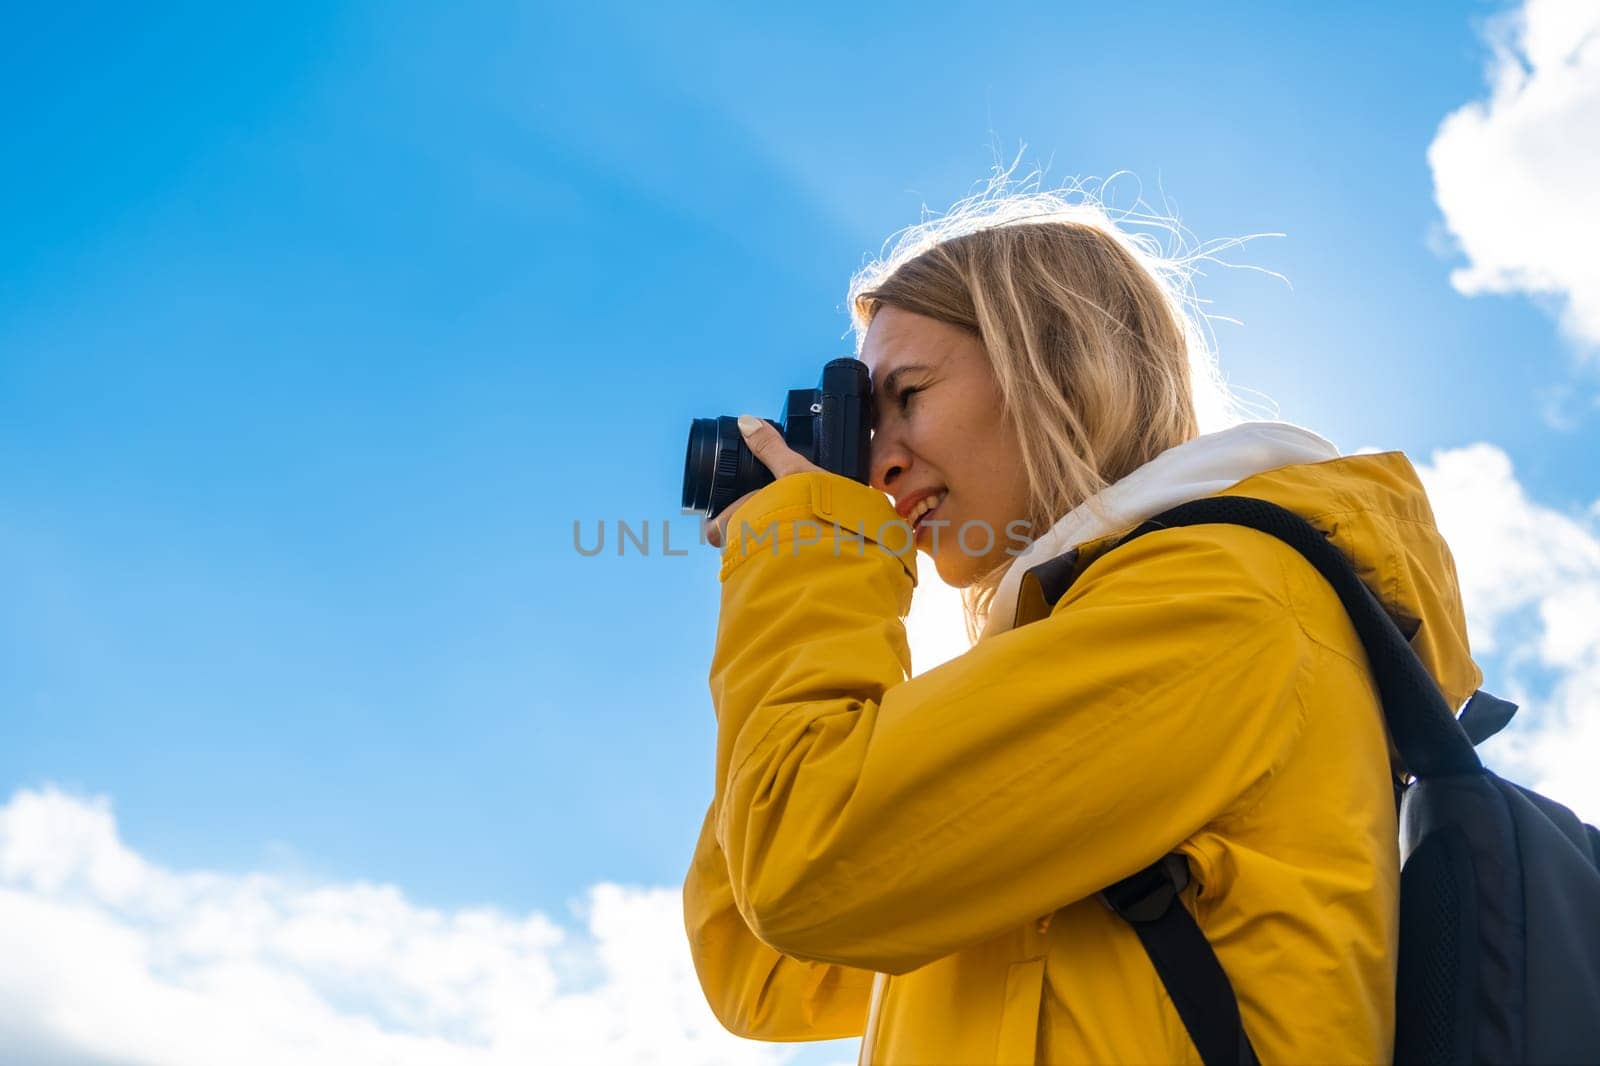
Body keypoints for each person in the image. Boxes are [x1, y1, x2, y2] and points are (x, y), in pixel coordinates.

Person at [683, 182, 1480, 1064]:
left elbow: (805, 868)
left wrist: (808, 551)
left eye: (904, 397)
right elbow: (764, 967)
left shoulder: (1219, 603)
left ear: (1056, 364)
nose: (880, 462)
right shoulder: (1080, 645)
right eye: (865, 425)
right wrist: (799, 579)